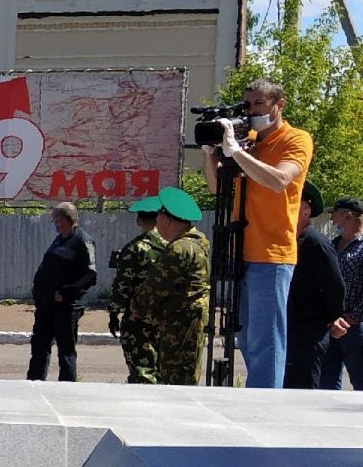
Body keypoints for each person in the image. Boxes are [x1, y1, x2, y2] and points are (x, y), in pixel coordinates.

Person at [203, 78, 313, 389]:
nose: (251, 111)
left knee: (267, 339)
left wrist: (236, 152)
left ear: (280, 104)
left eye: (259, 104)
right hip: (241, 251)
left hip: (272, 253)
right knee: (247, 337)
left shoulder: (296, 139)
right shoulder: (248, 141)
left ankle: (265, 404)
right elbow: (216, 188)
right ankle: (257, 395)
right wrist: (211, 153)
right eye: (248, 104)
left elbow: (280, 180)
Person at [138, 186, 211, 386]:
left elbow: (153, 288)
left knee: (175, 376)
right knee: (187, 371)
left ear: (167, 220)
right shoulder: (198, 243)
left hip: (178, 323)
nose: (156, 223)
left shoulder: (179, 248)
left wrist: (138, 310)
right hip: (188, 320)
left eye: (159, 218)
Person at [284, 183, 344, 391]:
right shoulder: (288, 241)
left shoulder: (315, 243)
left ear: (306, 211)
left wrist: (330, 319)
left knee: (303, 387)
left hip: (309, 331)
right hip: (290, 328)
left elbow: (335, 286)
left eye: (292, 202)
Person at [26, 203, 96, 382]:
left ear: (67, 219)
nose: (54, 222)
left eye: (56, 218)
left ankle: (66, 387)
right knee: (40, 347)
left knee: (66, 352)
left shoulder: (82, 240)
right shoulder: (59, 239)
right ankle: (34, 383)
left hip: (66, 307)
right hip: (46, 305)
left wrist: (67, 292)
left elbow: (90, 275)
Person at [320, 196, 363, 391]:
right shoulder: (333, 244)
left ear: (348, 216)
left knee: (361, 377)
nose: (332, 220)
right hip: (331, 322)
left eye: (335, 215)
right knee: (326, 377)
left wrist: (353, 317)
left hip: (355, 325)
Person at [108, 199, 164, 384]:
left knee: (140, 362)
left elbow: (123, 285)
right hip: (165, 313)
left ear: (138, 221)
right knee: (162, 361)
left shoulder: (134, 249)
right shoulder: (171, 245)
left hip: (138, 315)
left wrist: (114, 312)